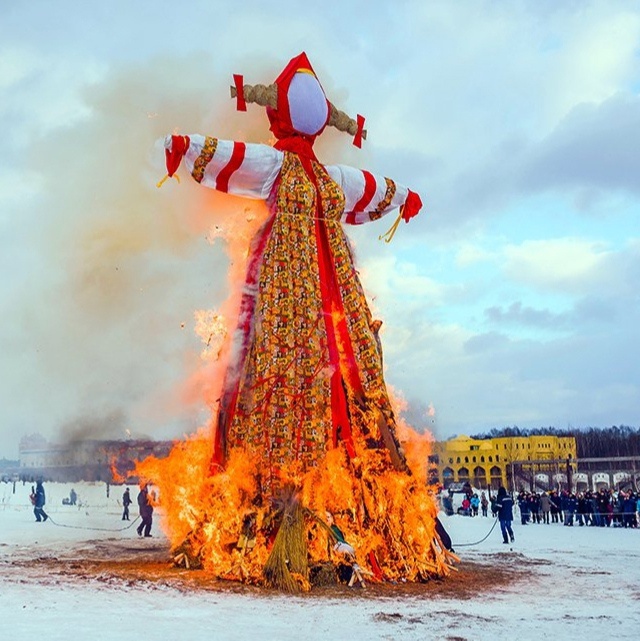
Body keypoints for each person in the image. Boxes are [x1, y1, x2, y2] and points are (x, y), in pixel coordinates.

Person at [161, 52, 422, 491]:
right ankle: (277, 472)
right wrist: (184, 148)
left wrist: (402, 197)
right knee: (285, 350)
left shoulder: (326, 175)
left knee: (348, 352)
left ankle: (360, 463)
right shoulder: (276, 166)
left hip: (334, 283)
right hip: (287, 278)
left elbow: (365, 186)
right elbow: (233, 157)